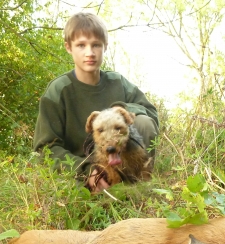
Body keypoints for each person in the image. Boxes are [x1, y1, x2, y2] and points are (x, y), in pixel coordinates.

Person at [33, 12, 159, 192]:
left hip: (124, 161)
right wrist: (86, 170)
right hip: (80, 169)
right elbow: (45, 147)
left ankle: (140, 187)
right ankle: (99, 191)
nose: (89, 53)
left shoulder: (118, 83)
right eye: (81, 45)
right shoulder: (58, 91)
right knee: (75, 195)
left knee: (144, 122)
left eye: (96, 45)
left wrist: (123, 109)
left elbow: (151, 114)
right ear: (69, 47)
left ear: (105, 47)